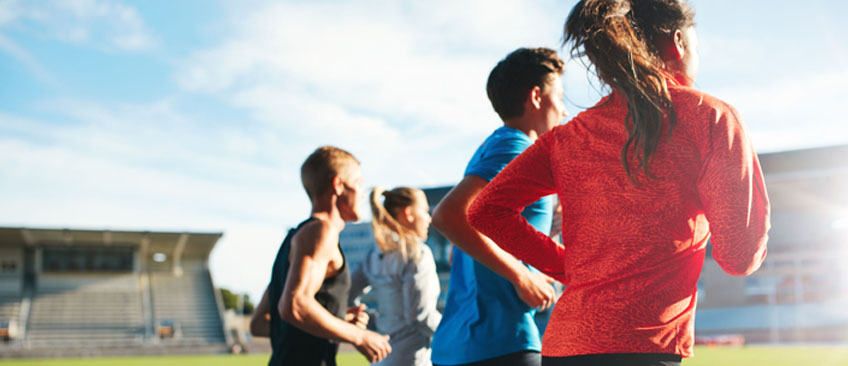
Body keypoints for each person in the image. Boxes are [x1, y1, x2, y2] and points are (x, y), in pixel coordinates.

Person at [467, 1, 770, 365]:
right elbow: (739, 258)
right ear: (678, 42)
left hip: (564, 346)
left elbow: (485, 210)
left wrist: (570, 266)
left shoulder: (567, 136)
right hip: (643, 347)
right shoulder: (711, 118)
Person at [429, 47, 568, 366]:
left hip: (467, 342)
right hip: (498, 340)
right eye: (559, 97)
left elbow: (468, 239)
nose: (563, 111)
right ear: (537, 97)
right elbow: (448, 216)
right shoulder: (515, 145)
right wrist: (522, 276)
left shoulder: (494, 145)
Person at [250, 146, 392, 366]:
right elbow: (294, 306)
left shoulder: (293, 238)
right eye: (358, 183)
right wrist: (360, 336)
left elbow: (260, 323)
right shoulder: (321, 232)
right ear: (337, 185)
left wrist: (338, 321)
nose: (362, 193)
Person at [349, 187, 442, 366]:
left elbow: (347, 295)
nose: (429, 218)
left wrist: (375, 320)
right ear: (409, 213)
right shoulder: (418, 254)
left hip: (382, 357)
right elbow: (420, 316)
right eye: (424, 210)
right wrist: (452, 331)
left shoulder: (374, 255)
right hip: (411, 359)